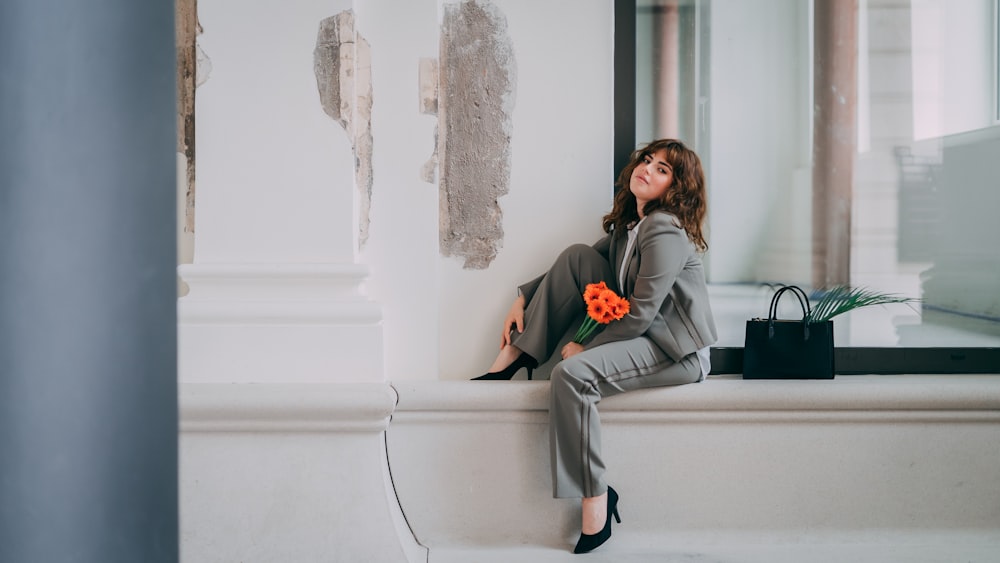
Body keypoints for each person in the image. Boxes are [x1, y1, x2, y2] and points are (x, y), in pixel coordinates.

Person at [472, 139, 718, 554]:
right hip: (644, 335)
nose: (648, 169)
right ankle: (514, 356)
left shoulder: (664, 230)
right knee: (578, 255)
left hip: (676, 350)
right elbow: (574, 266)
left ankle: (597, 497)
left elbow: (639, 315)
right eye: (647, 161)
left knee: (571, 375)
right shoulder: (631, 227)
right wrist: (522, 298)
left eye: (663, 170)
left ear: (677, 188)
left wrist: (585, 348)